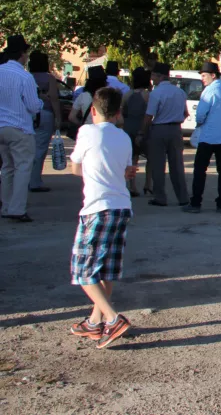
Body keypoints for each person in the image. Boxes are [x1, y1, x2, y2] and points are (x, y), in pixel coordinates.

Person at [67, 87, 135, 348]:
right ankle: (95, 322)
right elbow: (127, 170)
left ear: (93, 110)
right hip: (121, 206)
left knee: (83, 271)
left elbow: (76, 168)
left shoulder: (86, 132)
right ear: (118, 114)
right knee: (106, 269)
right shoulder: (124, 137)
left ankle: (112, 318)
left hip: (97, 207)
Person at [0, 36, 44, 222]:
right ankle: (17, 208)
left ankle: (6, 205)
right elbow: (33, 106)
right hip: (20, 127)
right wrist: (41, 101)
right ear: (21, 55)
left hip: (1, 125)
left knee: (7, 168)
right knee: (22, 167)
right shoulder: (25, 77)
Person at [185, 62, 221, 214]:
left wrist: (200, 123)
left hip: (208, 136)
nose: (202, 79)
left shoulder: (209, 91)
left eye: (203, 76)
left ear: (213, 75)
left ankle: (195, 203)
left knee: (200, 170)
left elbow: (201, 114)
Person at [140, 62, 189, 207]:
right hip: (176, 130)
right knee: (177, 165)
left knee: (158, 165)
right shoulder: (180, 92)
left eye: (153, 75)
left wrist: (142, 132)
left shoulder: (156, 93)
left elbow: (149, 116)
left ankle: (160, 197)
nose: (152, 78)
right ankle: (183, 197)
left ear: (159, 76)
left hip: (159, 129)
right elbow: (185, 113)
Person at [28, 51, 62, 193]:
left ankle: (25, 178)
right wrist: (58, 117)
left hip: (28, 114)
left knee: (28, 148)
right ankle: (35, 181)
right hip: (45, 113)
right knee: (40, 149)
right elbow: (54, 98)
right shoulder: (49, 79)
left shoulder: (27, 77)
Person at [121, 67, 151, 197]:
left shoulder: (127, 94)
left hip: (129, 127)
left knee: (133, 158)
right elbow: (150, 113)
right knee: (150, 157)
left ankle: (132, 186)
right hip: (143, 127)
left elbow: (123, 111)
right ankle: (148, 184)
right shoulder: (147, 95)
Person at [70, 66, 108, 131]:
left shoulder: (83, 96)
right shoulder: (108, 96)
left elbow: (71, 117)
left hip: (87, 131)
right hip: (104, 131)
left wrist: (82, 124)